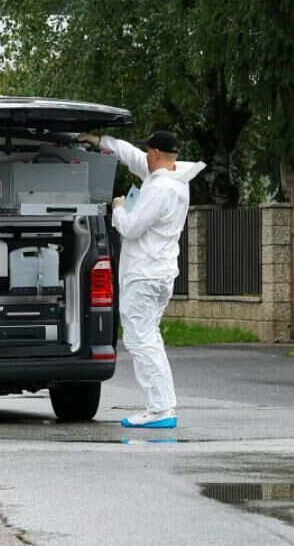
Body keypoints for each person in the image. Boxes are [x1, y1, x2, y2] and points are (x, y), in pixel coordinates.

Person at [77, 130, 205, 429]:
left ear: (156, 153)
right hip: (158, 274)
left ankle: (159, 409)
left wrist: (118, 209)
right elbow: (132, 156)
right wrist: (100, 142)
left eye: (148, 151)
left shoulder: (161, 189)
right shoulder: (174, 177)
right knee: (149, 338)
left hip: (145, 276)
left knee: (140, 340)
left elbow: (131, 228)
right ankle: (163, 405)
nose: (144, 155)